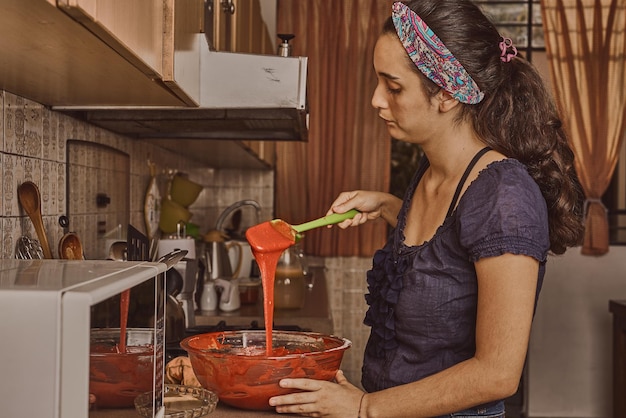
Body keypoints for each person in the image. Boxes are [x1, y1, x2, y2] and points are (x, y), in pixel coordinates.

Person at [269, 1, 585, 417]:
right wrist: (386, 205)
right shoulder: (432, 171)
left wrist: (364, 407)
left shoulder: (505, 196)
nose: (376, 100)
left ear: (448, 94)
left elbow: (498, 373)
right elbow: (449, 247)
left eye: (393, 87)